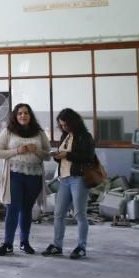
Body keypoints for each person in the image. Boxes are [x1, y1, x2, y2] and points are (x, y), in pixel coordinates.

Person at [0, 103, 50, 256]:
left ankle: (24, 242)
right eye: (19, 113)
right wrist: (18, 150)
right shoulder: (8, 132)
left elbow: (47, 155)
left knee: (26, 210)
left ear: (30, 115)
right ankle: (8, 243)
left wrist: (36, 150)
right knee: (12, 208)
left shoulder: (39, 133)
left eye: (26, 113)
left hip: (34, 175)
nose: (23, 116)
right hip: (15, 174)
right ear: (15, 116)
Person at [43, 108, 96, 260]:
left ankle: (81, 247)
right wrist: (58, 156)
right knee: (58, 213)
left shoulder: (84, 136)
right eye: (61, 125)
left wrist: (68, 155)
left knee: (79, 213)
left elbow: (89, 157)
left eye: (66, 125)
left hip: (78, 178)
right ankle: (57, 246)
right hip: (64, 179)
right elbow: (63, 156)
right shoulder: (65, 136)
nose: (64, 127)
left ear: (73, 122)